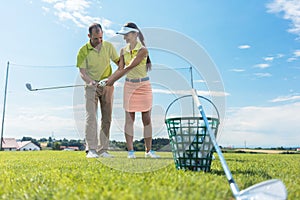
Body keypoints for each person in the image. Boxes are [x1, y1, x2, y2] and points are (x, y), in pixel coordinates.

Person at [106, 22, 160, 159]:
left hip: (144, 87)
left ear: (135, 34)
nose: (124, 38)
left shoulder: (143, 50)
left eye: (127, 35)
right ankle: (131, 152)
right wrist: (107, 80)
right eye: (123, 35)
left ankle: (148, 151)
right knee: (129, 119)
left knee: (146, 119)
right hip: (129, 87)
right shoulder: (123, 51)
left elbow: (129, 67)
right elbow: (120, 68)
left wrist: (111, 81)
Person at [76, 23, 119, 158]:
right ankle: (92, 150)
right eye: (96, 38)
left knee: (107, 118)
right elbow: (82, 72)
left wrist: (111, 79)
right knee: (91, 117)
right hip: (91, 88)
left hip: (107, 86)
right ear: (89, 36)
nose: (99, 41)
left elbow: (120, 64)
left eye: (101, 37)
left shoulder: (108, 47)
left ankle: (103, 150)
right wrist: (90, 81)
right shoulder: (83, 51)